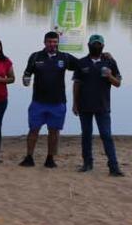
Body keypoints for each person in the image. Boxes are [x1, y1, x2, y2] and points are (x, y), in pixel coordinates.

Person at [20, 31, 74, 168]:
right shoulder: (36, 56)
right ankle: (29, 157)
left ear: (58, 43)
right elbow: (27, 73)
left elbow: (81, 65)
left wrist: (103, 56)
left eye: (55, 42)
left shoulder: (65, 57)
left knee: (54, 132)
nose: (52, 44)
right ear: (44, 42)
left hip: (58, 102)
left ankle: (50, 158)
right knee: (33, 130)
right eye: (50, 42)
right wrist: (25, 80)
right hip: (38, 101)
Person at [72, 34, 124, 176]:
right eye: (94, 44)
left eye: (99, 44)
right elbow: (77, 84)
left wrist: (109, 76)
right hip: (84, 105)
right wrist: (75, 103)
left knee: (106, 135)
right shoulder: (81, 62)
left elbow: (118, 83)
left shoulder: (110, 62)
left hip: (103, 106)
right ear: (88, 45)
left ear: (103, 46)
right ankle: (87, 163)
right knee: (86, 135)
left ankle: (114, 167)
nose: (96, 46)